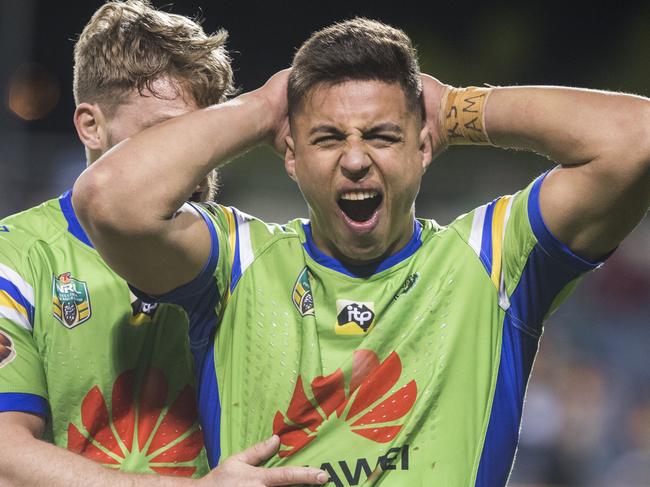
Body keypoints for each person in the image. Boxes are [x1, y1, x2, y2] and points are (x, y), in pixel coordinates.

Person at [73, 17, 650, 486]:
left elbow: (636, 139)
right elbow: (107, 199)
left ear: (424, 146)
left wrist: (456, 108)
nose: (355, 159)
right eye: (327, 138)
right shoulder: (235, 260)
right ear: (291, 154)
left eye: (381, 135)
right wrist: (263, 110)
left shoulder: (491, 258)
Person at [0, 1, 328, 486]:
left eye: (200, 135)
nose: (189, 163)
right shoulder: (18, 257)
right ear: (90, 125)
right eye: (164, 136)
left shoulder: (245, 252)